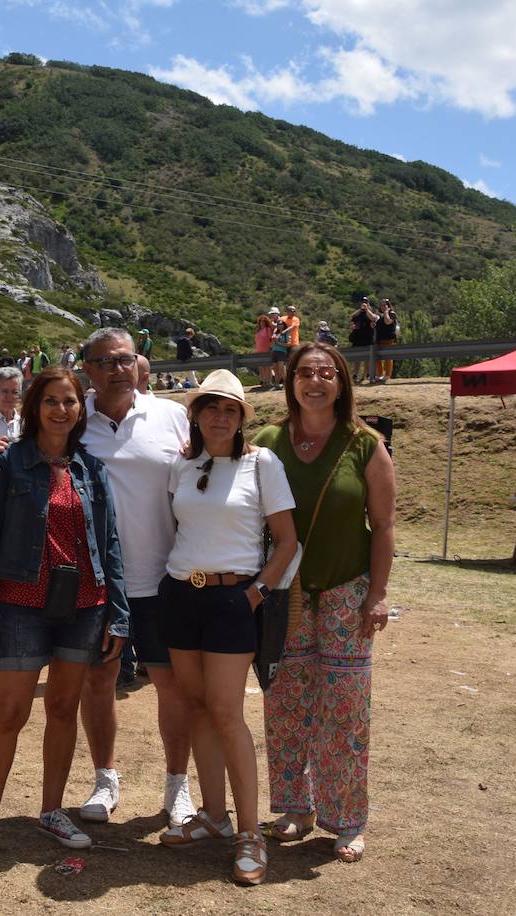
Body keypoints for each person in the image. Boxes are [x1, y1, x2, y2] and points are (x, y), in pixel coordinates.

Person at [0, 367, 128, 867]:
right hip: (21, 604)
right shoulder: (7, 466)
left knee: (63, 710)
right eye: (51, 400)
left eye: (70, 401)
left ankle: (51, 810)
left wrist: (118, 614)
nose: (61, 410)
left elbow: (110, 544)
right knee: (9, 714)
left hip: (85, 607)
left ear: (79, 410)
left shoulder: (91, 469)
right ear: (35, 408)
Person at [252, 342, 395, 863]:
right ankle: (295, 808)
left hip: (346, 593)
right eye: (305, 373)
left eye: (326, 373)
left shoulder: (365, 444)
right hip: (283, 594)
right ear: (290, 382)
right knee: (285, 704)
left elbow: (382, 526)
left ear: (342, 383)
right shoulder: (267, 441)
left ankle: (347, 819)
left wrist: (378, 595)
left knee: (345, 710)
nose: (315, 381)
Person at [158, 370, 298, 886]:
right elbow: (180, 529)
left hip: (233, 599)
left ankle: (249, 834)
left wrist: (255, 593)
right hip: (181, 593)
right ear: (196, 413)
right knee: (195, 706)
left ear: (242, 418)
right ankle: (213, 817)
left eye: (231, 409)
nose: (221, 416)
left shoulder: (262, 464)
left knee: (225, 711)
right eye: (212, 406)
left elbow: (287, 540)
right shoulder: (182, 463)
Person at [74, 328, 196, 830]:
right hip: (96, 581)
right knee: (98, 682)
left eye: (125, 359)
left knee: (171, 686)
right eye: (105, 361)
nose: (118, 369)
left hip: (163, 578)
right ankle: (105, 780)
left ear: (138, 363)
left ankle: (177, 787)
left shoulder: (170, 415)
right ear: (88, 369)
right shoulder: (72, 417)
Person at [348, 296, 378, 383]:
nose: (364, 303)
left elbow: (373, 318)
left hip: (367, 339)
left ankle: (366, 375)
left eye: (366, 302)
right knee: (357, 359)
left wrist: (367, 309)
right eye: (363, 302)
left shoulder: (370, 313)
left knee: (367, 359)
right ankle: (355, 375)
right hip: (357, 339)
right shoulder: (357, 314)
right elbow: (352, 318)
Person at [375, 299, 398, 382]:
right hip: (379, 340)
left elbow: (388, 322)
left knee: (388, 358)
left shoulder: (392, 314)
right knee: (377, 358)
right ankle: (379, 374)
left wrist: (386, 312)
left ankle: (387, 375)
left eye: (385, 305)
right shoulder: (380, 317)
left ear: (388, 306)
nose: (383, 306)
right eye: (381, 305)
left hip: (389, 340)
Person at [254, 311, 276, 390]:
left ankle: (268, 382)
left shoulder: (268, 329)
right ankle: (263, 381)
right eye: (260, 321)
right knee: (261, 367)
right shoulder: (258, 330)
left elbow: (272, 339)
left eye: (263, 321)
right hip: (259, 351)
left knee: (267, 367)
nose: (262, 322)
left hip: (266, 350)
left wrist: (270, 347)